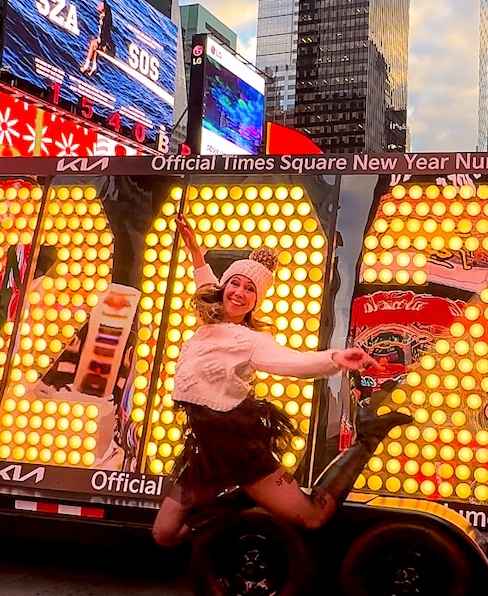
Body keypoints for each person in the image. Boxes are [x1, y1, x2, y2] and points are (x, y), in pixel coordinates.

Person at [152, 220, 408, 547]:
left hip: (239, 450)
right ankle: (239, 501)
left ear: (256, 301)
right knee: (164, 534)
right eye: (235, 284)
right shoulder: (209, 320)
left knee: (313, 517)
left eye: (249, 289)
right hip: (205, 450)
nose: (239, 293)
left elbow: (293, 363)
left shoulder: (252, 341)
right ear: (224, 286)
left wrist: (334, 358)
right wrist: (194, 250)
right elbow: (204, 280)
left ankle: (366, 438)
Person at [80, 0, 115, 76]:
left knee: (93, 43)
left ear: (104, 9)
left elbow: (103, 33)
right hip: (109, 46)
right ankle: (94, 67)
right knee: (95, 42)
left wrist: (101, 43)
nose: (98, 5)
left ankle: (86, 65)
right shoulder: (104, 18)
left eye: (100, 5)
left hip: (108, 48)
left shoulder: (104, 19)